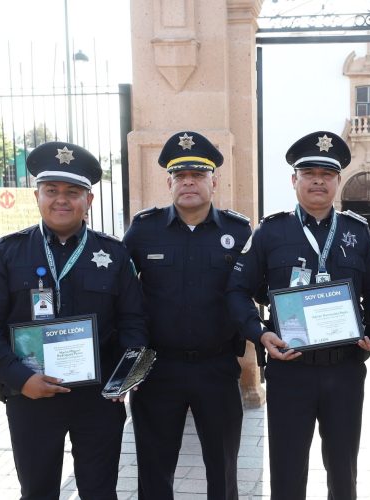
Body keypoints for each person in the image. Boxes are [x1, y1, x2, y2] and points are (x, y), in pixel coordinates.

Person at [0, 141, 148, 500]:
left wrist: (126, 378)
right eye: (51, 190)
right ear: (37, 196)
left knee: (99, 491)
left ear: (89, 200)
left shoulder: (112, 254)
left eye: (73, 191)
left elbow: (135, 321)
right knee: (37, 491)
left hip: (99, 399)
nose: (61, 199)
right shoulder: (7, 252)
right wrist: (21, 378)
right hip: (31, 394)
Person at [226, 131, 370, 500]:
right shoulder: (271, 231)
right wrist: (259, 333)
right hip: (290, 368)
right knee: (286, 467)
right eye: (309, 172)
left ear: (337, 181)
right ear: (294, 179)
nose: (318, 180)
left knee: (343, 467)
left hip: (345, 368)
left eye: (327, 174)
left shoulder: (356, 232)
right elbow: (236, 291)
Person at [123, 131, 251, 500]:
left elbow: (257, 290)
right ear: (169, 183)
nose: (189, 183)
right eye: (180, 177)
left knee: (222, 467)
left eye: (197, 175)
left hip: (217, 368)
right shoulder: (143, 230)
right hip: (157, 370)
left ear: (215, 181)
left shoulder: (238, 231)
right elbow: (122, 294)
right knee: (154, 465)